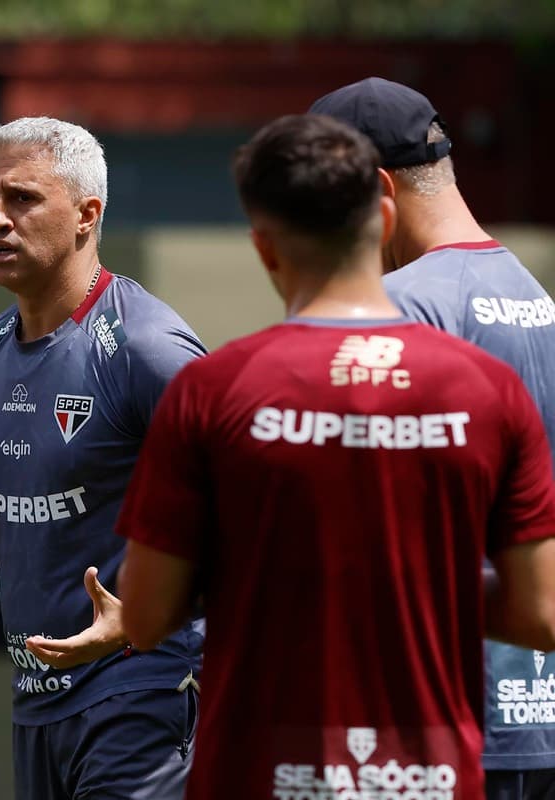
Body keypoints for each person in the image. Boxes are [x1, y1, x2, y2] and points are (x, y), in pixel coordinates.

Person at [117, 112, 555, 799]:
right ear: (385, 215)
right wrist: (409, 577)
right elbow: (541, 615)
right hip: (429, 776)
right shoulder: (487, 389)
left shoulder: (210, 391)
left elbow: (143, 617)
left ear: (264, 248)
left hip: (259, 772)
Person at [309, 77, 555, 799]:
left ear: (374, 191)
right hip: (539, 718)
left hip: (437, 725)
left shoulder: (400, 310)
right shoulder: (538, 300)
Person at [0, 116, 206, 800]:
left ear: (86, 215)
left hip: (142, 688)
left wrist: (151, 613)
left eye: (23, 199)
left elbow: (250, 515)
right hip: (37, 705)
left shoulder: (145, 350)